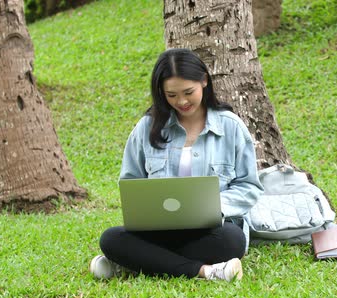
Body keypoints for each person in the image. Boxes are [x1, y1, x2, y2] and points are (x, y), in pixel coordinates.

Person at [89, 48, 264, 282]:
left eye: (188, 92)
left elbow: (249, 186)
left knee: (232, 241)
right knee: (110, 239)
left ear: (204, 80)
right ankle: (206, 271)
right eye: (171, 95)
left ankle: (136, 263)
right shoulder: (147, 128)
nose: (181, 101)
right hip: (160, 231)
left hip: (213, 230)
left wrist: (217, 207)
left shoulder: (230, 126)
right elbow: (130, 182)